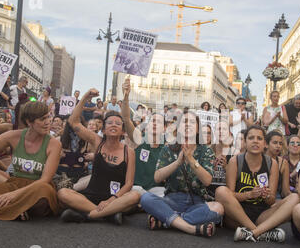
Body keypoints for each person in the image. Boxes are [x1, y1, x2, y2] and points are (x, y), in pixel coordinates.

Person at [0, 101, 61, 220]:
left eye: (48, 117)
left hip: (35, 188)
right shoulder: (13, 136)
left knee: (44, 192)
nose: (48, 122)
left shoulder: (54, 144)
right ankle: (17, 210)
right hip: (13, 184)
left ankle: (6, 207)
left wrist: (14, 195)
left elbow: (44, 180)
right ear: (29, 122)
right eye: (42, 119)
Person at [57, 88, 139, 224]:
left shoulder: (128, 151)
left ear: (123, 131)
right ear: (104, 129)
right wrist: (86, 96)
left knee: (135, 196)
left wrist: (111, 200)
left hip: (115, 198)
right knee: (63, 193)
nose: (114, 125)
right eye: (110, 123)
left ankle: (88, 215)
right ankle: (107, 214)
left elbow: (129, 183)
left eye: (118, 124)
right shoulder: (97, 141)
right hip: (91, 196)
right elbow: (73, 122)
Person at [139, 110, 224, 237]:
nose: (187, 125)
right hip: (171, 199)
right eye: (184, 122)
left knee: (218, 208)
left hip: (197, 203)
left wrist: (191, 159)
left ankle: (166, 220)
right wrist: (177, 163)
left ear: (197, 129)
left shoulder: (206, 151)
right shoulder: (168, 148)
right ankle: (190, 228)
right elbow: (157, 178)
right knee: (145, 198)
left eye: (191, 122)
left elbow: (207, 180)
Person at [215, 125, 300, 242]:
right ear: (245, 142)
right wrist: (249, 194)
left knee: (295, 198)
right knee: (221, 191)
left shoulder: (272, 163)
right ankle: (260, 232)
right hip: (238, 214)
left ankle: (254, 233)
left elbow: (271, 200)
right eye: (251, 138)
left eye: (259, 138)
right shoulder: (235, 161)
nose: (255, 141)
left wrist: (266, 195)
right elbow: (230, 195)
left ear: (265, 143)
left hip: (262, 215)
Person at [121, 78, 166, 198]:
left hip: (156, 190)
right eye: (153, 121)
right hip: (136, 188)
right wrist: (126, 96)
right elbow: (126, 118)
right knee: (136, 194)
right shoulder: (139, 140)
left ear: (165, 129)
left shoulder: (167, 148)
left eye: (159, 122)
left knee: (165, 198)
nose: (155, 123)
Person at [265, 130, 293, 198]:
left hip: (277, 197)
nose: (278, 146)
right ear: (266, 144)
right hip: (259, 194)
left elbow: (285, 191)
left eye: (280, 143)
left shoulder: (283, 162)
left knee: (295, 198)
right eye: (275, 143)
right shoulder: (259, 158)